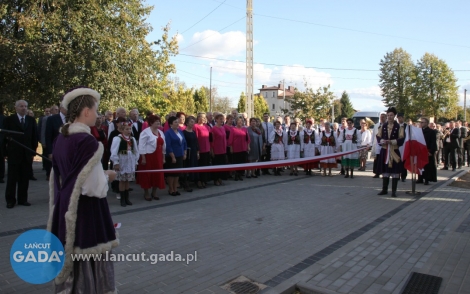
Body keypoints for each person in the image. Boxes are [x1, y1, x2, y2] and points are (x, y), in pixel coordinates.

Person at [47, 87, 118, 292]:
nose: (98, 115)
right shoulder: (87, 142)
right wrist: (108, 176)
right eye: (96, 110)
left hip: (65, 208)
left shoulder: (62, 138)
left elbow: (66, 176)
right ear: (86, 111)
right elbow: (93, 187)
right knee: (88, 260)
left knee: (71, 259)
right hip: (86, 212)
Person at [3, 100, 38, 208]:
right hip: (14, 153)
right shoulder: (9, 120)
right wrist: (5, 152)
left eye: (25, 106)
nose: (24, 108)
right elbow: (4, 137)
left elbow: (34, 136)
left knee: (24, 178)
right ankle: (10, 200)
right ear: (16, 108)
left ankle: (23, 199)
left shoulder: (31, 120)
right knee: (12, 178)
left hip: (27, 154)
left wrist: (33, 150)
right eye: (21, 106)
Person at [376, 107, 405, 197]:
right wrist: (382, 141)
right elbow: (378, 136)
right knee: (385, 171)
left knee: (395, 172)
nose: (389, 117)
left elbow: (401, 139)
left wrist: (392, 141)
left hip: (394, 151)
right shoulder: (383, 126)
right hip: (385, 151)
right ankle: (384, 189)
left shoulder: (399, 127)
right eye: (388, 115)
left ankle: (394, 191)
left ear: (395, 116)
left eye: (391, 115)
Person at [137, 115, 166, 200]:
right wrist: (143, 157)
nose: (158, 123)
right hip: (148, 156)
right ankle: (146, 193)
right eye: (156, 121)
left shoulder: (161, 132)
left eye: (158, 121)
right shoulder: (145, 132)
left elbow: (164, 145)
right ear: (151, 122)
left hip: (158, 156)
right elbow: (141, 145)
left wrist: (163, 157)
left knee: (157, 174)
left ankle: (154, 192)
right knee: (147, 175)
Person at [110, 121, 138, 207]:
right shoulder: (118, 139)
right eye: (127, 129)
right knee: (122, 180)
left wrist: (136, 162)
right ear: (122, 130)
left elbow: (136, 151)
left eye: (130, 129)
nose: (129, 131)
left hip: (130, 162)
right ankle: (122, 199)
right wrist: (116, 162)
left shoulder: (132, 139)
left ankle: (127, 198)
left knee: (127, 180)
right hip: (122, 162)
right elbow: (114, 151)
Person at [165, 116, 187, 196]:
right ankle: (171, 189)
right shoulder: (168, 133)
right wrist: (172, 156)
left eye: (178, 122)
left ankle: (175, 188)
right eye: (175, 122)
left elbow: (184, 142)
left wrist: (185, 153)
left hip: (180, 155)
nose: (177, 124)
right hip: (172, 156)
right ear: (171, 124)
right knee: (171, 174)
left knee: (177, 173)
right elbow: (168, 145)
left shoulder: (180, 131)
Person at [45, 102, 67, 181]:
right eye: (66, 107)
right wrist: (50, 152)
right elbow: (48, 136)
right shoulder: (52, 119)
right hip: (56, 149)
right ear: (61, 108)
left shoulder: (72, 118)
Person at [417, 118, 437, 185]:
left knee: (427, 166)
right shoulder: (419, 131)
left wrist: (431, 151)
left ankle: (427, 179)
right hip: (420, 151)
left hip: (428, 151)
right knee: (420, 165)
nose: (421, 123)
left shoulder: (431, 132)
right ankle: (420, 178)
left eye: (423, 122)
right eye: (421, 122)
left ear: (426, 123)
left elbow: (433, 142)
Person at [210, 114, 228, 185]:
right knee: (216, 165)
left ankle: (220, 178)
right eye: (220, 119)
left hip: (223, 149)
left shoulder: (223, 128)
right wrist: (212, 150)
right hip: (216, 150)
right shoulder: (213, 129)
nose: (221, 120)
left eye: (222, 119)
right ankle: (216, 179)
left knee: (222, 164)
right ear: (216, 119)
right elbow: (212, 140)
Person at [182, 116, 198, 191]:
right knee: (187, 167)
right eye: (191, 122)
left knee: (193, 166)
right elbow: (183, 143)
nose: (193, 123)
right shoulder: (184, 132)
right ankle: (186, 183)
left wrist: (198, 152)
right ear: (187, 123)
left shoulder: (194, 132)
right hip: (188, 152)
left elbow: (196, 142)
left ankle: (193, 181)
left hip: (194, 151)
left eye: (193, 122)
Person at [194, 113, 210, 188]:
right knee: (201, 165)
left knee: (206, 165)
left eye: (204, 117)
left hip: (207, 149)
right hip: (201, 149)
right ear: (198, 118)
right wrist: (197, 150)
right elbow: (196, 139)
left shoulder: (206, 126)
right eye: (202, 117)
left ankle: (204, 180)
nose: (204, 119)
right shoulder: (196, 126)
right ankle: (199, 181)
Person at [371, 113, 387, 178]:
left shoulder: (387, 125)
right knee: (376, 159)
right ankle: (377, 173)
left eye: (383, 117)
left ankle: (384, 173)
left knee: (383, 159)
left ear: (386, 118)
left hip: (384, 144)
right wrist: (372, 143)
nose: (381, 118)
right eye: (381, 117)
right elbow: (373, 135)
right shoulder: (376, 125)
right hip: (377, 144)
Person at [397, 113, 408, 181]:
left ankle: (403, 176)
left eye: (400, 118)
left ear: (403, 118)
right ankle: (397, 175)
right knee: (397, 161)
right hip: (397, 144)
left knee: (403, 160)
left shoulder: (406, 126)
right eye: (398, 118)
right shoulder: (396, 125)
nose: (399, 119)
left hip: (404, 145)